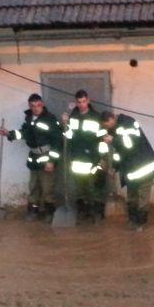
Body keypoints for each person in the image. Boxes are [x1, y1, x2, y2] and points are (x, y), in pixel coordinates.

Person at [0, 94, 63, 220]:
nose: (35, 108)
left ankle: (50, 212)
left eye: (38, 105)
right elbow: (24, 133)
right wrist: (8, 134)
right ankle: (33, 211)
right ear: (29, 106)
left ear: (42, 105)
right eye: (33, 106)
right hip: (34, 158)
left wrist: (52, 161)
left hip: (46, 157)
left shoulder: (50, 119)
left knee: (47, 187)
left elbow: (57, 141)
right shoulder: (29, 119)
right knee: (33, 186)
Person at [101, 111, 154, 229]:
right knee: (132, 196)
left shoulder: (128, 122)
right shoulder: (114, 129)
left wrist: (113, 141)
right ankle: (132, 221)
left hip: (144, 167)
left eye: (106, 124)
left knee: (142, 196)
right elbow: (119, 153)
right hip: (131, 169)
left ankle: (141, 223)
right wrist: (114, 167)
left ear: (112, 119)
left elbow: (129, 145)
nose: (106, 128)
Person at [63, 89, 107, 221]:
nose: (82, 104)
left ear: (88, 100)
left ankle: (97, 213)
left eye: (84, 101)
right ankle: (83, 211)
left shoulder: (96, 117)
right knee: (80, 188)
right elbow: (68, 137)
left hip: (93, 159)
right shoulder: (72, 118)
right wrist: (65, 125)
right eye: (79, 102)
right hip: (77, 158)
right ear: (76, 102)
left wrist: (102, 158)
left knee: (94, 187)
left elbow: (103, 139)